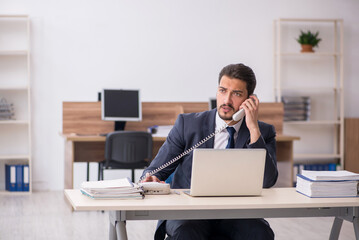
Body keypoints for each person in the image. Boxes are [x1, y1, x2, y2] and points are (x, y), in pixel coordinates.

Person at [141, 63, 278, 240]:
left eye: (236, 94)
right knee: (187, 232)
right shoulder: (187, 124)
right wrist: (151, 178)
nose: (227, 100)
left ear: (249, 100)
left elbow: (268, 181)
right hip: (190, 212)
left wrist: (253, 129)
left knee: (260, 233)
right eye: (222, 90)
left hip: (237, 214)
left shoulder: (263, 132)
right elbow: (156, 170)